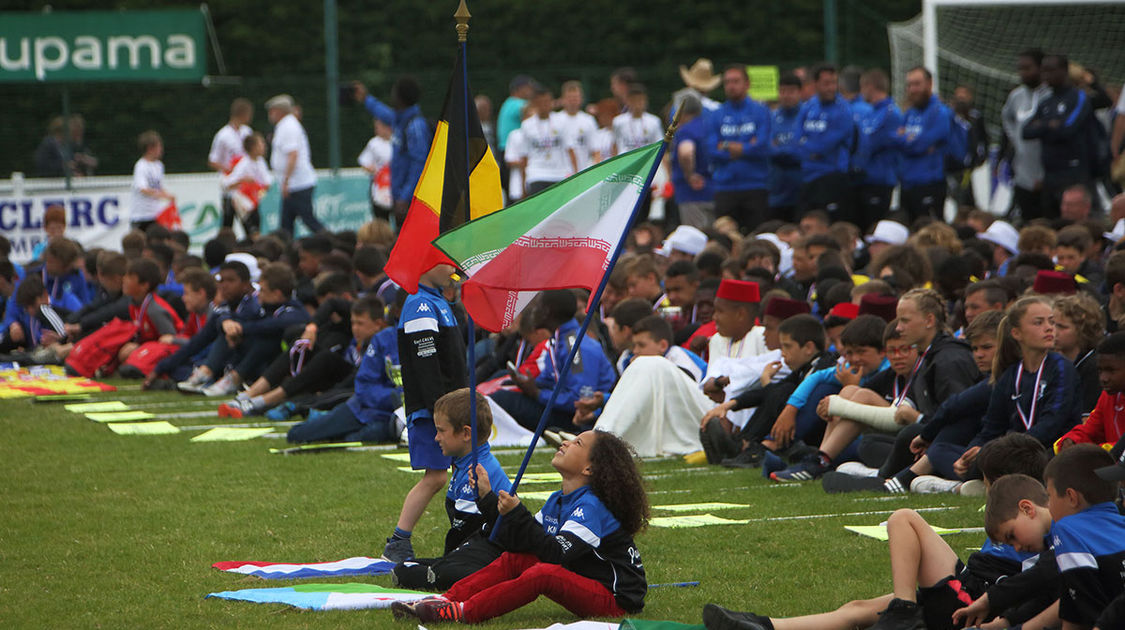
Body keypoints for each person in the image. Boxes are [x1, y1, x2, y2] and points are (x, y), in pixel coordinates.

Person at [703, 433, 1049, 630]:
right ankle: (765, 625)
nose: (988, 493)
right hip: (971, 582)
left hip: (972, 597)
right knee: (860, 607)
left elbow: (1034, 588)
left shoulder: (1044, 533)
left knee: (903, 518)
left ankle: (904, 612)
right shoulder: (1025, 519)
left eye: (988, 485)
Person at [391, 430, 647, 624]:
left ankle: (461, 612)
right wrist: (488, 499)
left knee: (543, 573)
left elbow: (555, 554)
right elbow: (517, 540)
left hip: (615, 599)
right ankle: (447, 598)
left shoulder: (593, 506)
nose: (565, 442)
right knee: (516, 558)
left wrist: (518, 513)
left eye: (577, 443)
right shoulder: (557, 500)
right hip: (584, 582)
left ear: (589, 468)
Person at [382, 263, 467, 564]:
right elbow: (426, 364)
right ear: (425, 263)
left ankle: (468, 534)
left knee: (465, 471)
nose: (454, 267)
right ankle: (399, 540)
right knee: (435, 477)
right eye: (445, 261)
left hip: (453, 407)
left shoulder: (439, 300)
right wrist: (441, 412)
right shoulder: (419, 304)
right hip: (435, 410)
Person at [390, 388, 512, 591]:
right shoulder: (464, 465)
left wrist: (448, 561)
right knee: (405, 568)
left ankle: (445, 574)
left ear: (466, 433)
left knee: (414, 572)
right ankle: (441, 572)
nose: (436, 437)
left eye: (441, 430)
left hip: (490, 555)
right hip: (470, 553)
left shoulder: (477, 470)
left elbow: (466, 530)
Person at [227, 294, 386, 421]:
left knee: (326, 360)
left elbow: (359, 378)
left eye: (360, 324)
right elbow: (332, 303)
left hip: (352, 385)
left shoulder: (385, 342)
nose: (355, 329)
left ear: (378, 324)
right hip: (340, 379)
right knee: (303, 345)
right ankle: (249, 395)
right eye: (353, 323)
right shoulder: (354, 326)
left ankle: (262, 402)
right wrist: (312, 327)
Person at [492, 289, 615, 433]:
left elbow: (580, 400)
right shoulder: (560, 339)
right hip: (561, 409)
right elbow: (552, 380)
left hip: (578, 420)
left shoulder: (576, 346)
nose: (533, 312)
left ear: (547, 312)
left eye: (537, 306)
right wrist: (528, 384)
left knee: (503, 400)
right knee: (503, 384)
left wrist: (537, 393)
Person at [195, 262, 307, 397]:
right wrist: (228, 322)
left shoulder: (294, 311)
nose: (259, 294)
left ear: (277, 294)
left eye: (263, 290)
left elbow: (271, 325)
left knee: (268, 337)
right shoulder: (265, 307)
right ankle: (207, 372)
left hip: (282, 366)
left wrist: (240, 328)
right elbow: (234, 318)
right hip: (259, 362)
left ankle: (234, 377)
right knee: (231, 330)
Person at [1023, 54, 1094, 219]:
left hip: (1073, 172)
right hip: (1049, 174)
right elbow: (1026, 132)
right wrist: (1050, 124)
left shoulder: (1078, 97)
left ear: (1064, 71)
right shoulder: (1046, 102)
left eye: (1051, 70)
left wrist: (1042, 126)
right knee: (1050, 219)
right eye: (1044, 71)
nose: (1046, 75)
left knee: (1073, 220)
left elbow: (1067, 129)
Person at [354, 77, 434, 222]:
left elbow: (419, 166)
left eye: (394, 92)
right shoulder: (401, 120)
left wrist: (405, 198)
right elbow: (383, 112)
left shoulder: (415, 127)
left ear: (400, 98)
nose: (392, 96)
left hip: (410, 201)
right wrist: (366, 99)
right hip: (400, 196)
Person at [708, 64, 771, 231]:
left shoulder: (761, 112)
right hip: (725, 187)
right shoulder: (717, 114)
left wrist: (727, 146)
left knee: (756, 237)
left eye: (736, 81)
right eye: (728, 82)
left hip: (755, 186)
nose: (731, 86)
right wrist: (745, 146)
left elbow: (762, 146)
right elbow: (712, 149)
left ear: (747, 84)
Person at [796, 64, 854, 221]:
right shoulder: (807, 107)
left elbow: (825, 145)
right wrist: (809, 150)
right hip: (808, 176)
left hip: (831, 177)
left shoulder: (843, 110)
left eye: (833, 83)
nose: (831, 88)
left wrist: (808, 147)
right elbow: (797, 139)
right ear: (815, 84)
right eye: (826, 83)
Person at [1001, 49, 1050, 222]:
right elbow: (1007, 118)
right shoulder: (1016, 96)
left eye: (1027, 68)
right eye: (1020, 68)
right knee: (1028, 222)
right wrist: (1016, 139)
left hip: (1048, 175)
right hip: (1022, 175)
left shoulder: (1051, 94)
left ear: (1040, 68)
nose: (1023, 73)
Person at [1057, 331, 1125, 451]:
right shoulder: (1108, 396)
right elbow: (1090, 430)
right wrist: (1072, 440)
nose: (1103, 378)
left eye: (1111, 370)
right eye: (1100, 370)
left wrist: (1089, 451)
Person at [898, 67, 951, 223]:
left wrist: (908, 140)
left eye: (917, 84)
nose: (912, 89)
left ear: (929, 84)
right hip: (907, 184)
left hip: (929, 183)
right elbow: (898, 142)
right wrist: (910, 141)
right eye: (910, 85)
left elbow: (920, 145)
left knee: (930, 235)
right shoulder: (909, 113)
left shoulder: (940, 112)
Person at [266, 94, 324, 235]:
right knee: (286, 223)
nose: (270, 115)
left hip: (297, 183)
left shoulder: (288, 126)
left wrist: (286, 181)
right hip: (294, 183)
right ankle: (286, 249)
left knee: (308, 220)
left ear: (279, 111)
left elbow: (293, 155)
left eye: (271, 111)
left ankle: (331, 242)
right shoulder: (286, 125)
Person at [857, 69, 903, 232]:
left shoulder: (890, 113)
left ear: (870, 87)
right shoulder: (872, 112)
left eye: (862, 87)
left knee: (874, 227)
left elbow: (871, 143)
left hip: (880, 180)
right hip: (866, 179)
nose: (861, 93)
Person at [115, 259, 182, 367]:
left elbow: (171, 340)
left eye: (130, 278)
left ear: (144, 285)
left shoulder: (155, 310)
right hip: (149, 346)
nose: (124, 280)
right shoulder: (134, 304)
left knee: (127, 352)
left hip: (167, 349)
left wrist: (141, 349)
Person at [208, 98, 254, 233]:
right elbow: (213, 160)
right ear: (243, 114)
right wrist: (229, 169)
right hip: (230, 185)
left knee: (249, 221)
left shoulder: (248, 132)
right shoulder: (223, 135)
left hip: (245, 185)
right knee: (228, 220)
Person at [671, 94, 714, 230]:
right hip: (712, 189)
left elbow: (686, 152)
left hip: (691, 193)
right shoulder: (709, 127)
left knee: (695, 235)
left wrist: (690, 175)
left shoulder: (686, 130)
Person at [520, 84, 571, 195]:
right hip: (537, 174)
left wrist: (573, 173)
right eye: (541, 102)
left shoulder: (562, 121)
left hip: (559, 174)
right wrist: (523, 183)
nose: (544, 105)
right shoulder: (527, 125)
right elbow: (524, 156)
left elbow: (570, 150)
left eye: (547, 102)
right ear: (534, 104)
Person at [769, 73, 804, 222]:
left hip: (801, 188)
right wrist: (792, 149)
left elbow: (805, 151)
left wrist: (780, 150)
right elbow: (766, 147)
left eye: (791, 91)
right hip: (776, 190)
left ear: (799, 92)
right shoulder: (771, 117)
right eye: (782, 91)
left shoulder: (807, 115)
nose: (786, 96)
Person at [221, 133, 272, 236]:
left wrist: (259, 193)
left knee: (254, 226)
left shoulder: (260, 162)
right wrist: (243, 181)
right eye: (261, 144)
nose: (264, 146)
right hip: (239, 200)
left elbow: (267, 183)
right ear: (253, 147)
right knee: (249, 228)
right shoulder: (244, 164)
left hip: (251, 200)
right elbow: (227, 184)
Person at [130, 130, 174, 232]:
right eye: (159, 147)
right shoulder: (141, 166)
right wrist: (162, 195)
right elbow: (143, 189)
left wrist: (168, 195)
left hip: (155, 214)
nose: (161, 150)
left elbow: (159, 187)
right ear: (150, 148)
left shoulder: (159, 166)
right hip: (141, 215)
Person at [557, 81, 598, 174]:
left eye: (575, 98)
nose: (572, 101)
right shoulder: (556, 120)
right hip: (560, 174)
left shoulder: (589, 120)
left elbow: (596, 150)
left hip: (582, 173)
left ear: (581, 99)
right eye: (569, 98)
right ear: (563, 99)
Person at [358, 118, 393, 222]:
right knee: (381, 219)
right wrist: (372, 169)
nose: (376, 130)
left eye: (379, 127)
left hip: (396, 185)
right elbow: (364, 162)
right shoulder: (374, 143)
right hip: (379, 187)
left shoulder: (397, 141)